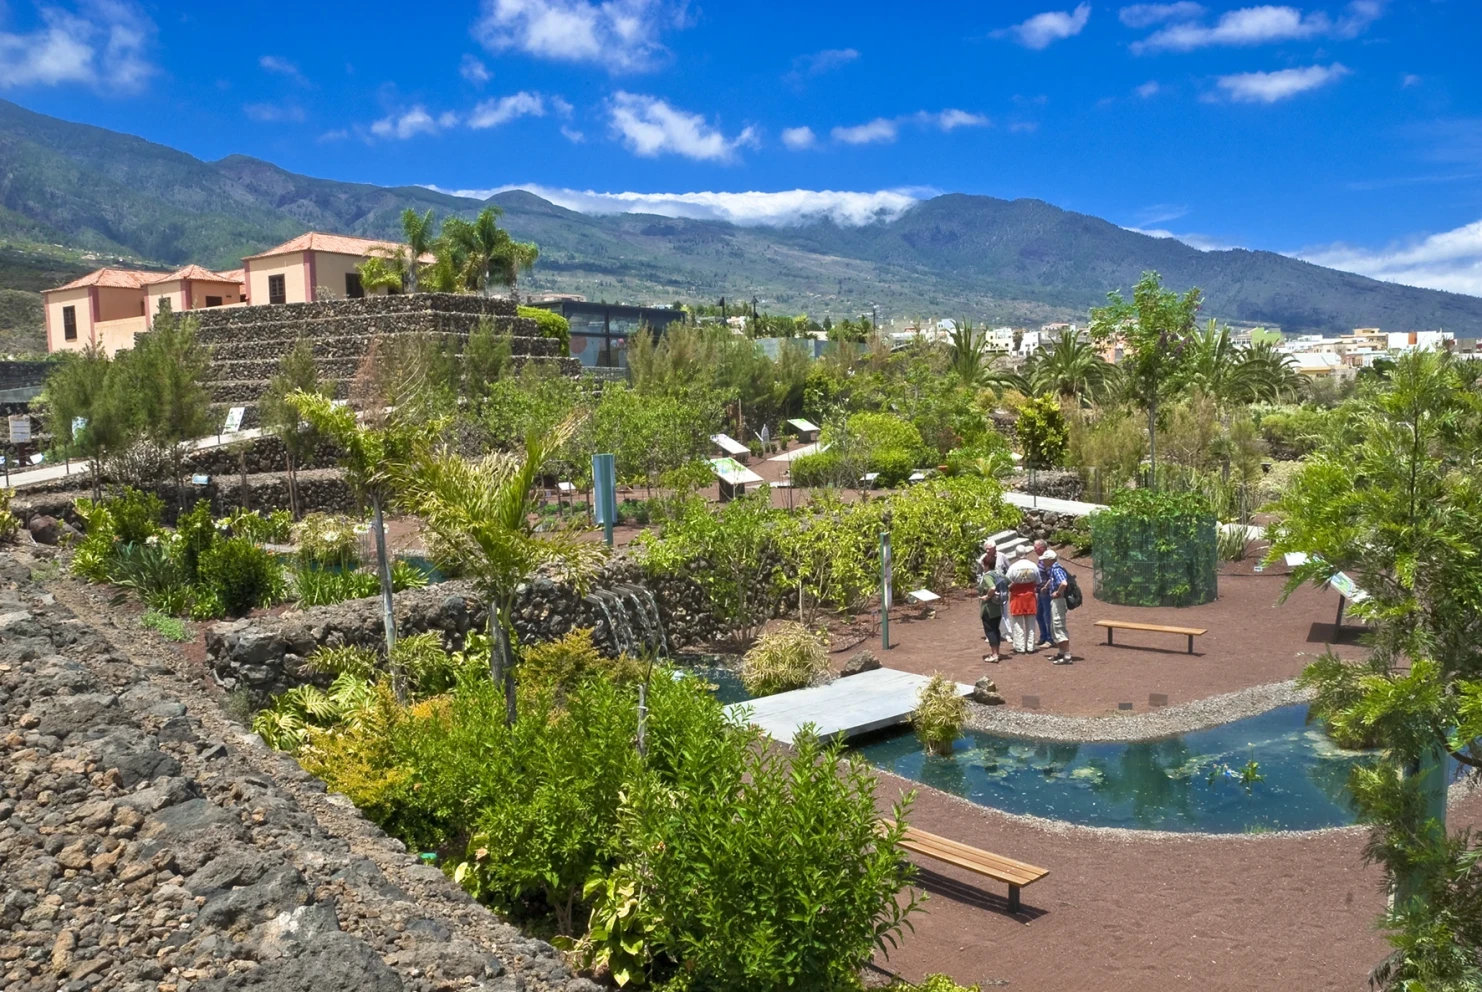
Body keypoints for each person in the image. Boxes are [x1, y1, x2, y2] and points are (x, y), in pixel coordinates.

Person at [1041, 549, 1073, 664]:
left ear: (1050, 560)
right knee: (1055, 627)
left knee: (1059, 627)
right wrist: (1046, 586)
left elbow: (1063, 583)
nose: (1043, 562)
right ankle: (1061, 652)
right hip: (1056, 601)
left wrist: (1058, 593)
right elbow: (1053, 580)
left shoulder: (1056, 569)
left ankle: (1067, 655)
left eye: (1045, 559)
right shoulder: (1054, 568)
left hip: (1058, 601)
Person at [1006, 551, 1041, 654]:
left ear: (1017, 554)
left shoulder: (1013, 567)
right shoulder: (1033, 566)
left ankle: (1020, 647)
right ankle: (1030, 646)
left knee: (1017, 624)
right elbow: (1038, 581)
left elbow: (1007, 582)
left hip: (1017, 597)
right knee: (1031, 623)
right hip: (1030, 597)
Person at [977, 560, 1008, 662]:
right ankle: (997, 653)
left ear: (986, 565)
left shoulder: (987, 576)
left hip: (988, 608)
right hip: (998, 607)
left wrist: (987, 596)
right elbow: (1010, 583)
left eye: (983, 564)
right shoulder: (998, 573)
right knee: (996, 630)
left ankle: (994, 655)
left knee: (990, 631)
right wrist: (1002, 594)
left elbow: (992, 587)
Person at [1033, 539, 1054, 650]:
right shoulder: (1041, 560)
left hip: (1046, 593)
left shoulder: (1047, 561)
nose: (1034, 550)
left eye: (1035, 547)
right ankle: (1043, 636)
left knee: (1047, 616)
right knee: (1039, 615)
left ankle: (1050, 639)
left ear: (1041, 548)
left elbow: (1052, 577)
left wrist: (1045, 587)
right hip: (1040, 592)